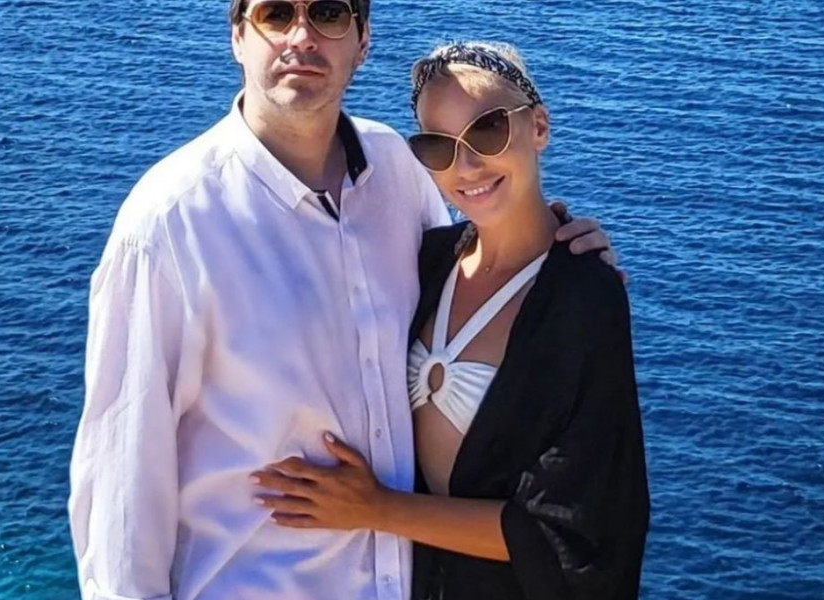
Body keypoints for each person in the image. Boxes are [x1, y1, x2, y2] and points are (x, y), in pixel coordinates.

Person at [67, 1, 616, 598]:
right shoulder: (169, 225)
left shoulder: (398, 170)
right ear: (238, 37)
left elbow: (466, 282)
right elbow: (121, 474)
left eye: (329, 12)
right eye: (276, 14)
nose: (302, 36)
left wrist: (559, 255)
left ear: (363, 40)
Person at [251, 41, 649, 600]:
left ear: (538, 126)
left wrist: (376, 508)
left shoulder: (584, 298)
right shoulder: (427, 260)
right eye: (437, 146)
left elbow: (573, 529)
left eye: (488, 131)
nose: (466, 166)